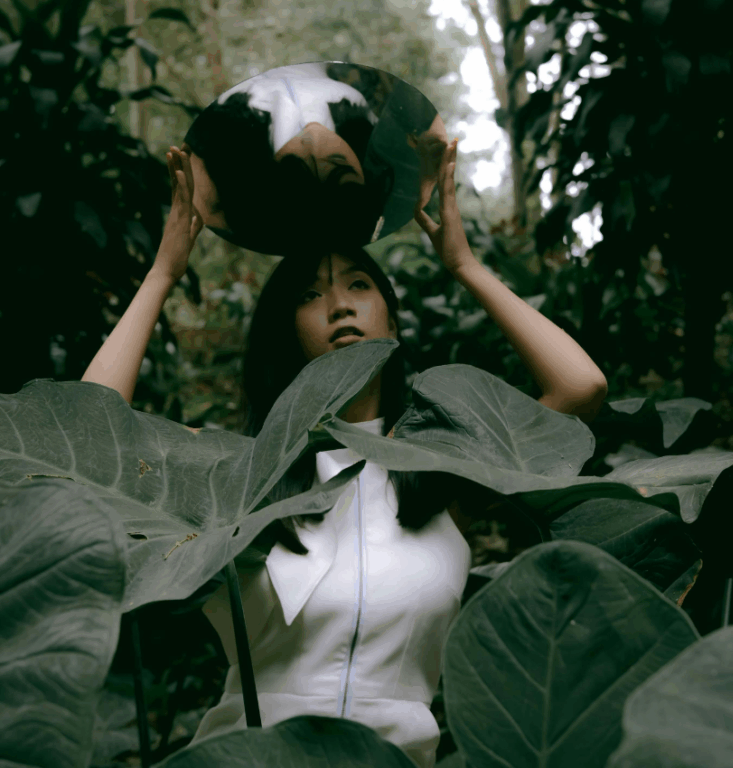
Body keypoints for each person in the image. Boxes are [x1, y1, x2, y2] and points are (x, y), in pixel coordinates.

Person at [81, 140, 608, 768]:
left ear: (391, 322)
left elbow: (581, 388)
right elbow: (86, 432)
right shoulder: (235, 474)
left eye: (359, 283)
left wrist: (463, 263)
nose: (339, 304)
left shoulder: (443, 473)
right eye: (310, 294)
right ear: (288, 332)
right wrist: (164, 270)